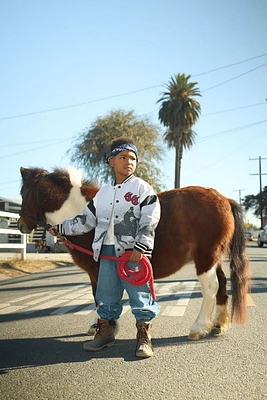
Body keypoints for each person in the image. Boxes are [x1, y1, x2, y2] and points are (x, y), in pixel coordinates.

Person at [49, 138, 161, 358]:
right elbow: (86, 221)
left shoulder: (142, 188)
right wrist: (62, 228)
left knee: (140, 293)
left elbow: (150, 218)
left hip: (132, 252)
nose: (129, 162)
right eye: (123, 157)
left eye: (132, 158)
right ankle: (106, 332)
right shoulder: (103, 193)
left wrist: (142, 245)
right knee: (106, 293)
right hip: (107, 252)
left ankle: (144, 336)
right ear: (111, 161)